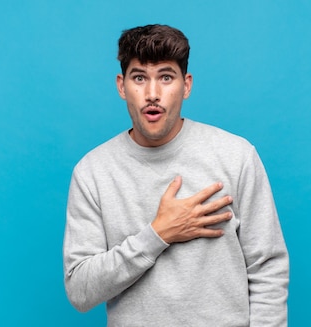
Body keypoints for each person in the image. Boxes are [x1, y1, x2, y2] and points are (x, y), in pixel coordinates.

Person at [63, 24, 289, 326]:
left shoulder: (237, 156)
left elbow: (268, 269)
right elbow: (80, 290)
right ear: (121, 85)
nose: (152, 94)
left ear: (186, 85)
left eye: (166, 77)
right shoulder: (92, 172)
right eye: (139, 78)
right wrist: (157, 235)